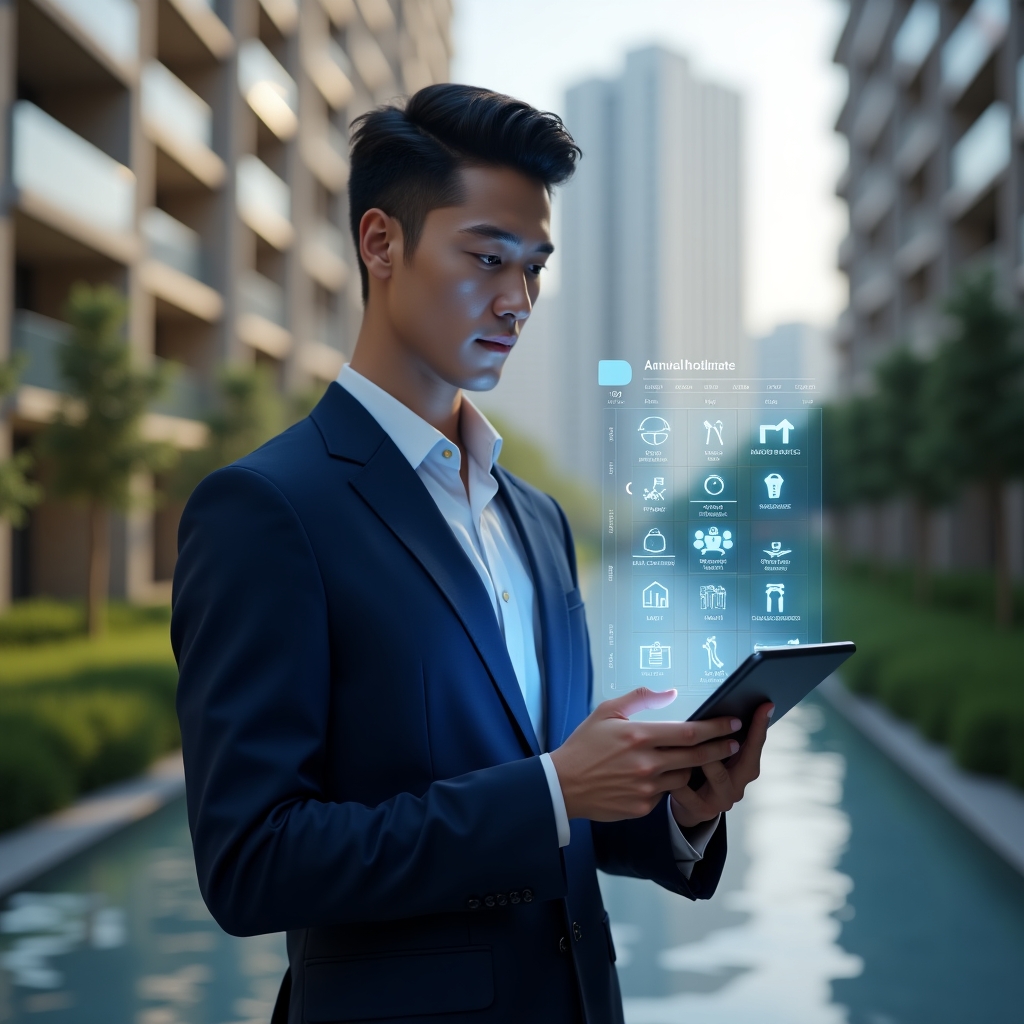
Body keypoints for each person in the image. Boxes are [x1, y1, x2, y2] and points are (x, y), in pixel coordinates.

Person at [172, 84, 772, 1024]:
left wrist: (677, 809)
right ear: (381, 244)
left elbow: (562, 799)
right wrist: (550, 788)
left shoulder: (535, 517)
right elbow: (253, 862)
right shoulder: (266, 509)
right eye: (488, 258)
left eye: (535, 267)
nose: (518, 299)